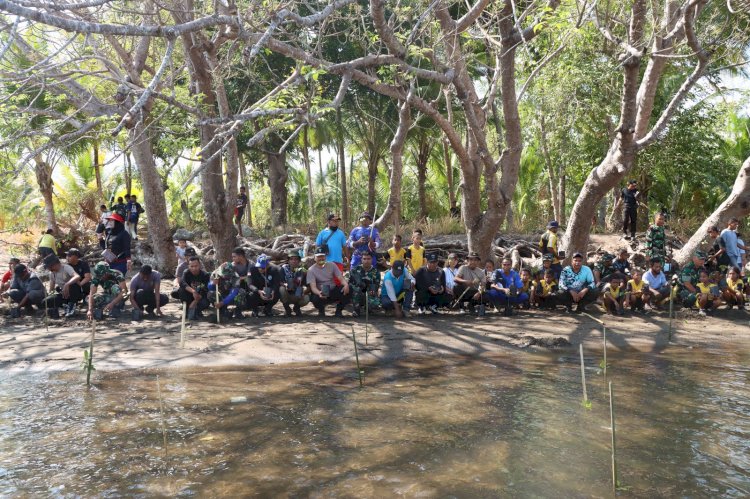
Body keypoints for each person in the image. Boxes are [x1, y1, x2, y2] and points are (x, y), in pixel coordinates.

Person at [307, 246, 350, 317]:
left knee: (349, 289)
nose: (321, 258)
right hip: (321, 292)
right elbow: (313, 287)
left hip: (333, 290)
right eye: (319, 257)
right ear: (314, 258)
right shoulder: (311, 270)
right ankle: (321, 310)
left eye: (323, 256)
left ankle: (339, 310)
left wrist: (346, 285)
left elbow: (340, 278)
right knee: (314, 298)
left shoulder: (332, 265)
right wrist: (319, 293)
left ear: (325, 257)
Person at [178, 256, 211, 320]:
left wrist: (196, 300)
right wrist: (193, 291)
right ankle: (187, 310)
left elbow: (206, 289)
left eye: (196, 266)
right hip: (190, 294)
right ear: (188, 266)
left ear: (200, 265)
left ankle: (196, 311)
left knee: (206, 301)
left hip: (200, 296)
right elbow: (182, 283)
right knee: (181, 290)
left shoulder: (205, 275)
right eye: (192, 266)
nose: (194, 268)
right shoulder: (186, 273)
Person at [349, 252, 381, 316]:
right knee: (356, 290)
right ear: (361, 260)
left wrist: (373, 290)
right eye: (364, 259)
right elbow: (349, 282)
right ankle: (356, 310)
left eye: (368, 259)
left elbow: (376, 285)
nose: (366, 261)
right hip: (356, 293)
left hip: (369, 292)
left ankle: (368, 308)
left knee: (375, 303)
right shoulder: (354, 270)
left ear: (372, 260)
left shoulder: (376, 272)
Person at [279, 249, 309, 317]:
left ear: (299, 261)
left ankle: (297, 308)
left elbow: (307, 284)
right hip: (287, 293)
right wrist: (285, 285)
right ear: (288, 261)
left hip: (298, 293)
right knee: (281, 289)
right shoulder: (283, 268)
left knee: (307, 297)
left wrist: (304, 290)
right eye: (291, 259)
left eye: (296, 259)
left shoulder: (302, 269)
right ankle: (287, 309)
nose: (294, 261)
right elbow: (280, 281)